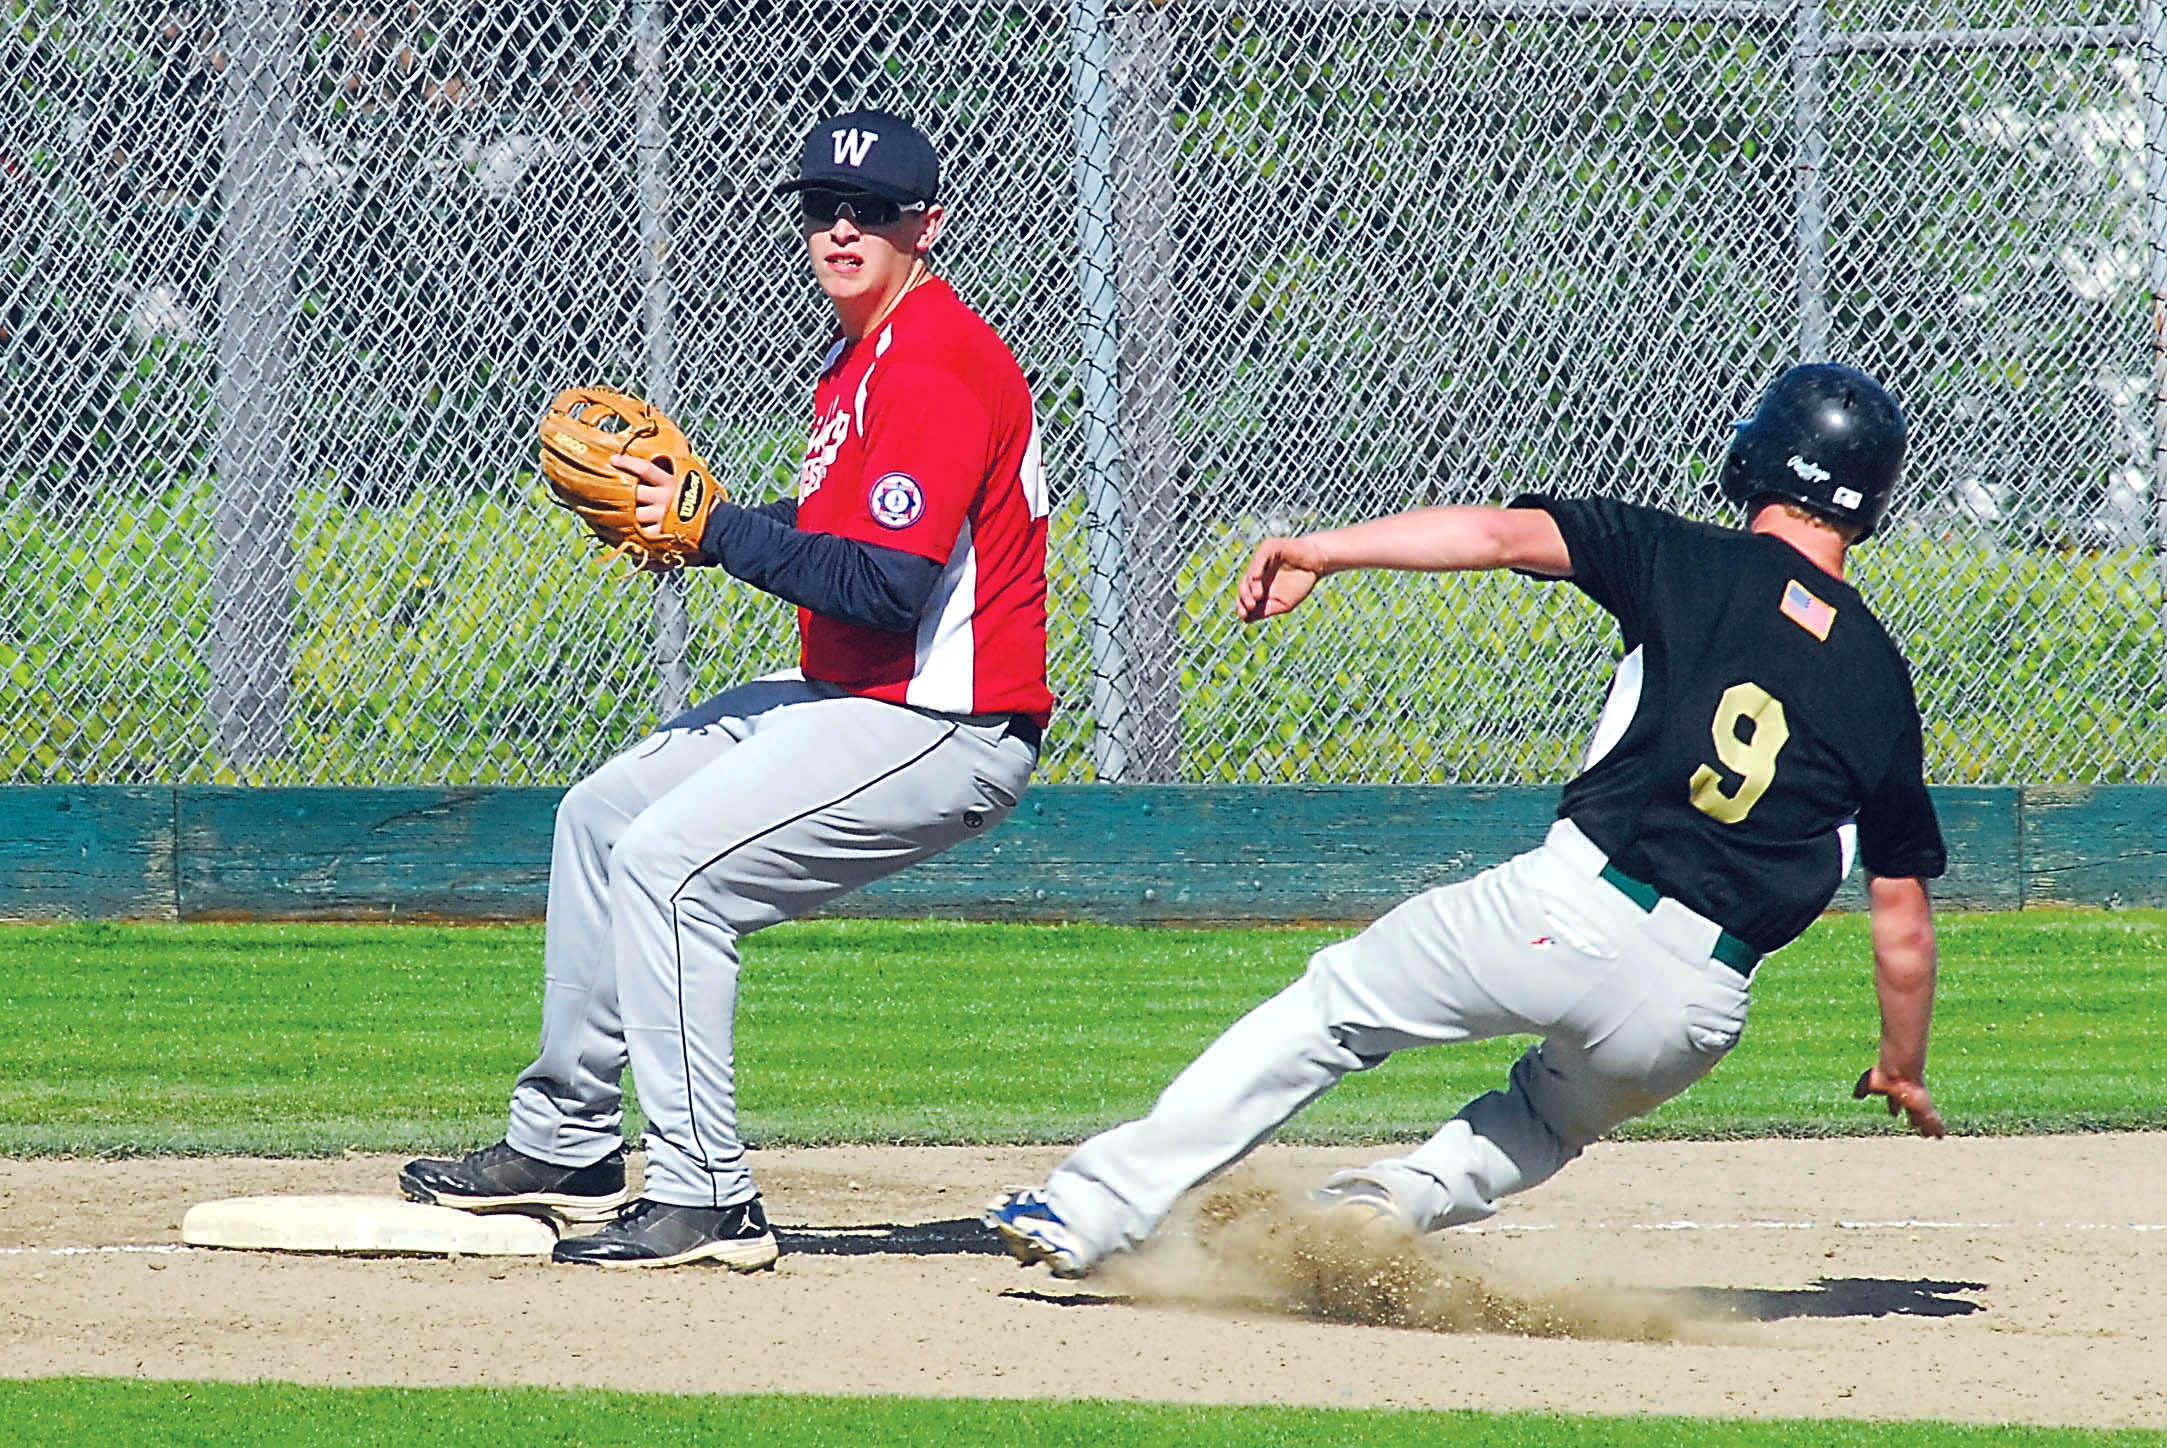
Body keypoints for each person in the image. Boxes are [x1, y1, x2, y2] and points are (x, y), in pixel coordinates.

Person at [986, 362, 1945, 1278]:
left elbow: (1496, 536)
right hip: (1694, 1006)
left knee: (1332, 1012)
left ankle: (1092, 1208)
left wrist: (1323, 548)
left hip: (1569, 908)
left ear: (1763, 459)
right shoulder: (1877, 676)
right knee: (1548, 1118)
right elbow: (1900, 918)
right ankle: (1396, 1199)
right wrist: (1900, 1066)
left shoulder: (1687, 557)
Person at [403, 108, 1053, 1269]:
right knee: (603, 813)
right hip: (861, 700)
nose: (843, 228)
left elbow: (887, 586)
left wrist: (715, 535)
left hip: (943, 722)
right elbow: (828, 535)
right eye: (822, 208)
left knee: (673, 868)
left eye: (874, 211)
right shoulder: (863, 362)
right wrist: (708, 524)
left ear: (927, 226)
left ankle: (708, 1195)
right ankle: (565, 1139)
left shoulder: (941, 362)